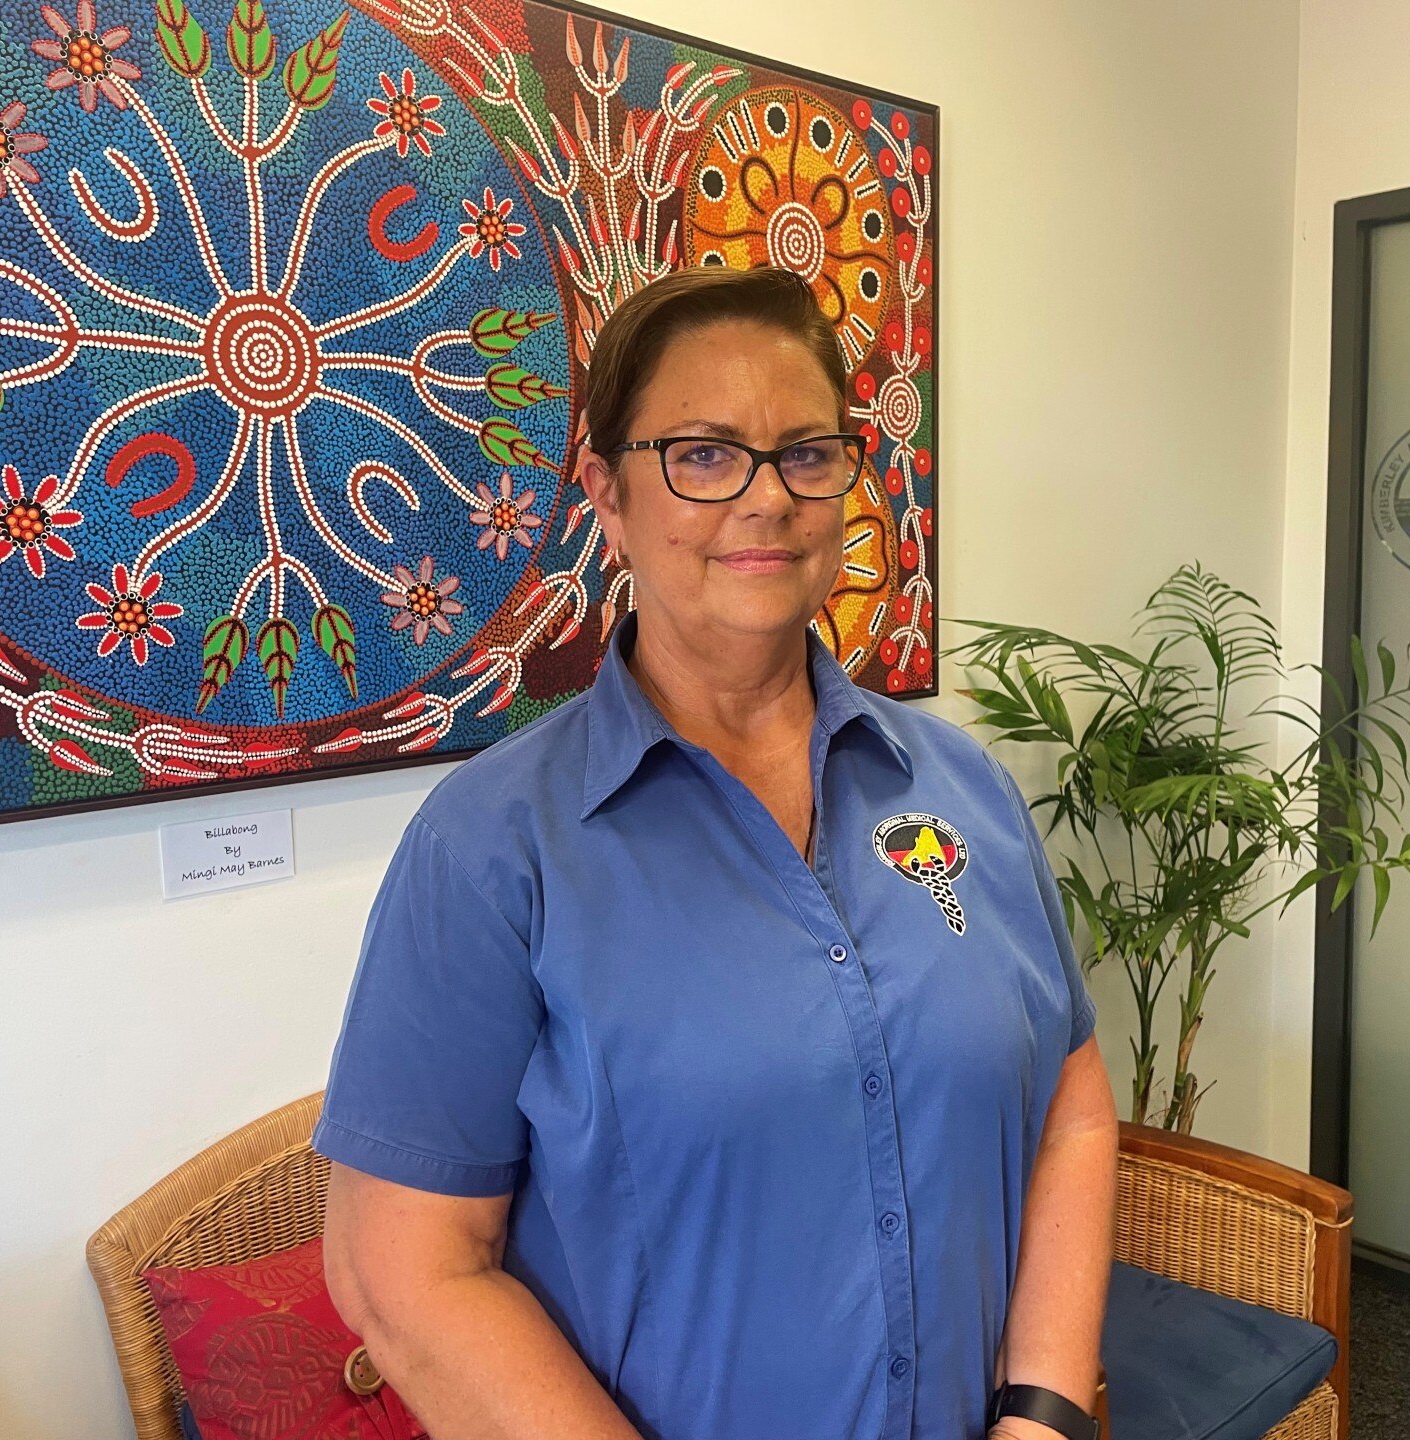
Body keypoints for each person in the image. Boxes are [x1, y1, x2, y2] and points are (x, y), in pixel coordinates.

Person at [315, 265, 1119, 1440]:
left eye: (806, 453)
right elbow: (402, 1271)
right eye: (702, 454)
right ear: (607, 493)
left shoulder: (964, 790)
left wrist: (1042, 1414)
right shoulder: (493, 849)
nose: (767, 498)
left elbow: (1071, 1108)